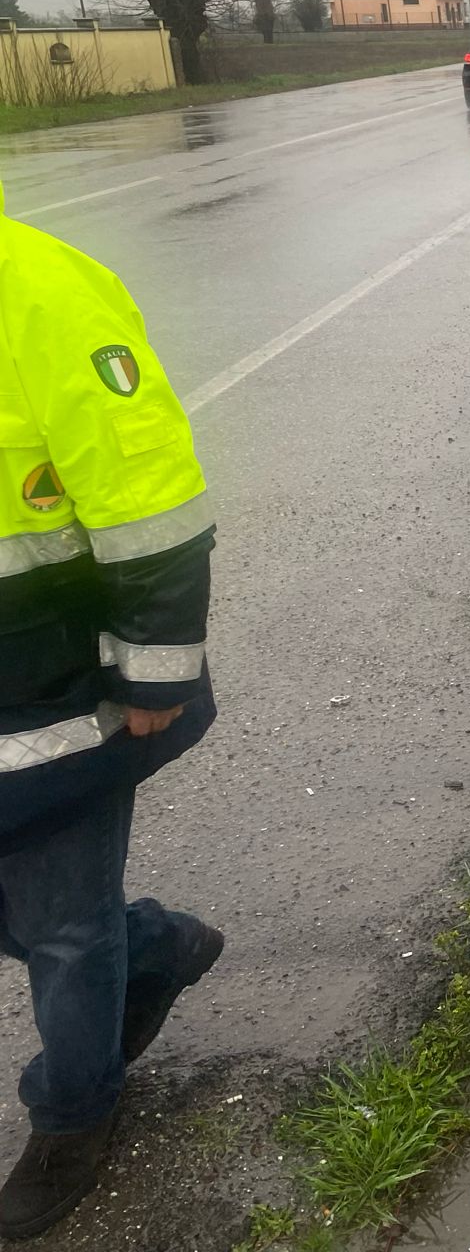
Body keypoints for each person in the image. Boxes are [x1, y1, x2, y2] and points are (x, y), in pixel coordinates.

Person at [0, 178, 222, 1240]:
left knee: (62, 927)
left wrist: (155, 671)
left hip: (52, 687)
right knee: (51, 926)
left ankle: (72, 1117)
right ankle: (160, 946)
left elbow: (148, 499)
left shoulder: (39, 289)